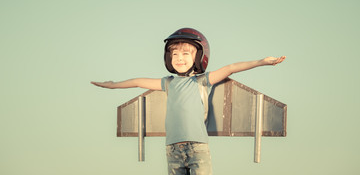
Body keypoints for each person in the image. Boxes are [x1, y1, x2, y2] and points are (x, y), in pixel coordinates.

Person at [91, 28, 286, 175]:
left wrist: (261, 62)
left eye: (186, 53)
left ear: (198, 57)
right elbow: (137, 82)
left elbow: (231, 68)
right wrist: (113, 85)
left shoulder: (202, 81)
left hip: (197, 148)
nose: (179, 58)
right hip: (172, 149)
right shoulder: (167, 83)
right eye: (174, 54)